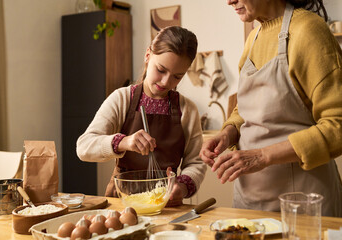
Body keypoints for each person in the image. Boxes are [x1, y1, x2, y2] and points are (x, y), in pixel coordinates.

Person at [199, 0, 342, 216]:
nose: (229, 1)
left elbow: (337, 126)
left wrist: (262, 156)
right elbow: (244, 109)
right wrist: (228, 133)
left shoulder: (309, 30)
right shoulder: (253, 39)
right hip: (250, 201)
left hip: (303, 205)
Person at [77, 26, 206, 206]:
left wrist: (183, 186)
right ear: (148, 56)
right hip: (122, 202)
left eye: (177, 76)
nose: (166, 82)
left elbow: (196, 162)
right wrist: (123, 142)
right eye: (161, 70)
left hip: (166, 204)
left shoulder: (188, 110)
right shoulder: (121, 99)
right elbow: (83, 147)